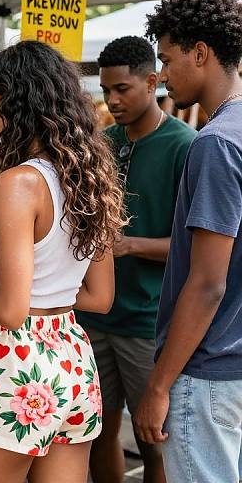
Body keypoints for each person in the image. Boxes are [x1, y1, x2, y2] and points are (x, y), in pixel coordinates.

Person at [0, 40, 126, 483]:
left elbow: (11, 310)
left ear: (20, 103)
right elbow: (98, 297)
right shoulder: (88, 177)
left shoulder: (19, 182)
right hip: (72, 358)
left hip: (16, 362)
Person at [134, 0, 242, 483]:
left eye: (167, 58)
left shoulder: (215, 143)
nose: (161, 75)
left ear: (201, 54)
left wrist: (158, 386)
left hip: (206, 372)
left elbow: (207, 283)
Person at [76, 36, 196, 483]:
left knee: (154, 440)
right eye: (105, 90)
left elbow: (199, 249)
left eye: (122, 89)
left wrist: (130, 245)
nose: (111, 100)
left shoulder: (187, 145)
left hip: (151, 323)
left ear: (152, 81)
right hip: (93, 318)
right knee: (95, 431)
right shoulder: (101, 142)